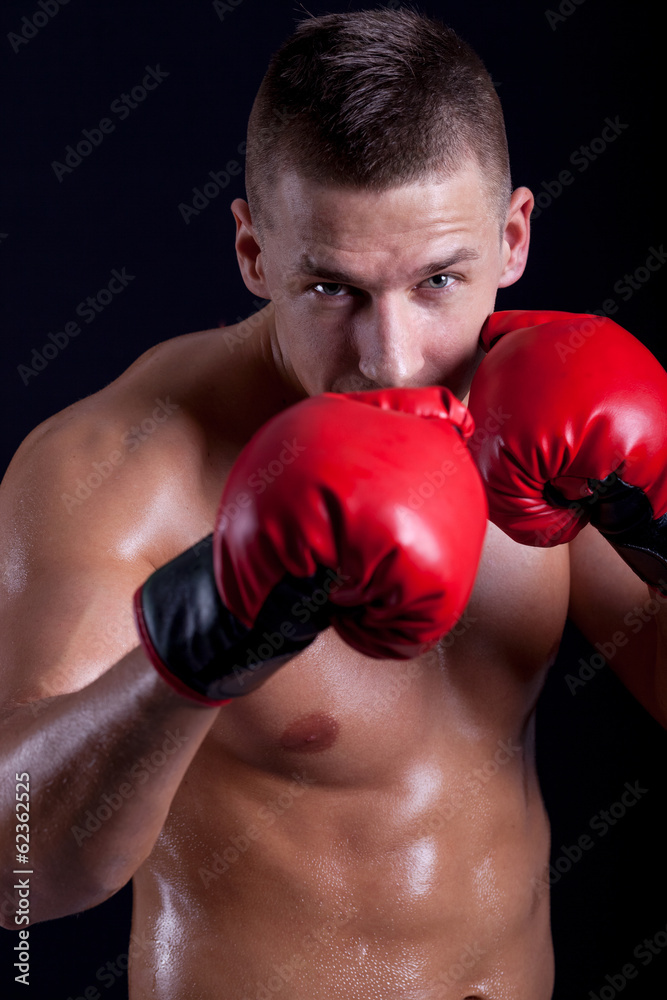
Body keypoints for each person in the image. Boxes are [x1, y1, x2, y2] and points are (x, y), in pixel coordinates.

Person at [1, 9, 665, 998]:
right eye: (329, 288)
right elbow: (17, 871)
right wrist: (203, 639)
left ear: (513, 236)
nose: (389, 356)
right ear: (253, 252)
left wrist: (652, 527)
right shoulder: (119, 468)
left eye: (439, 279)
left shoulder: (551, 425)